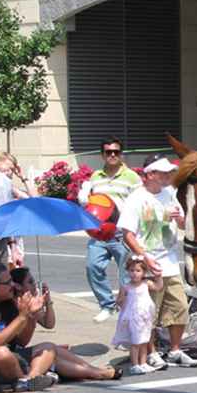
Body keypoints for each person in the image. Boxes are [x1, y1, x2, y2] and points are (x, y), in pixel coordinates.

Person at [118, 153, 197, 368]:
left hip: (170, 260)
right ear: (150, 174)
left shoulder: (170, 194)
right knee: (149, 311)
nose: (168, 175)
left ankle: (174, 350)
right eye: (163, 172)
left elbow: (182, 225)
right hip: (147, 262)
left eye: (169, 172)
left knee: (180, 306)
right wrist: (144, 256)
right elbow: (127, 234)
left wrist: (180, 219)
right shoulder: (136, 198)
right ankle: (152, 352)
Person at [3, 267, 122, 381]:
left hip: (20, 351)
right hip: (14, 354)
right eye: (30, 282)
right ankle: (97, 373)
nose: (35, 284)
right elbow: (22, 341)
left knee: (55, 349)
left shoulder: (29, 302)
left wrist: (48, 301)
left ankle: (95, 370)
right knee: (50, 352)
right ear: (18, 286)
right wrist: (30, 316)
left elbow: (49, 324)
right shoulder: (15, 305)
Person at [78, 136, 142, 324]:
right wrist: (84, 198)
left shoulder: (131, 177)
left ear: (121, 154)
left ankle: (126, 318)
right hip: (99, 233)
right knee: (92, 266)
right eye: (108, 152)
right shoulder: (95, 177)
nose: (112, 155)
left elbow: (139, 203)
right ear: (102, 155)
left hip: (122, 233)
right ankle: (107, 305)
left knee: (127, 276)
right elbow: (91, 204)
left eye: (116, 152)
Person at [0, 263, 55, 392]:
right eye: (8, 282)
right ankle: (26, 381)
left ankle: (28, 380)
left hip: (13, 356)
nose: (12, 285)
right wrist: (23, 316)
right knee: (1, 353)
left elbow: (22, 342)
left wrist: (31, 316)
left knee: (48, 347)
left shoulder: (8, 302)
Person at [112, 255, 164, 375]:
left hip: (145, 317)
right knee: (135, 342)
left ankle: (143, 362)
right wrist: (121, 299)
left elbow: (158, 287)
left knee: (144, 340)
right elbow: (119, 301)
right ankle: (135, 364)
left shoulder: (146, 283)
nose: (134, 273)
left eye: (138, 271)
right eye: (131, 270)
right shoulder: (126, 286)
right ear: (127, 271)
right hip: (133, 318)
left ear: (144, 272)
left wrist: (158, 276)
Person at [0, 135, 22, 266]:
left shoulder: (4, 181)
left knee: (1, 282)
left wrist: (13, 248)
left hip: (0, 241)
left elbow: (8, 215)